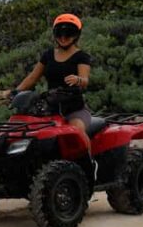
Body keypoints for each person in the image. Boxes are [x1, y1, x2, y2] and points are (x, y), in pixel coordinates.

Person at [15, 13, 92, 147]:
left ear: (76, 35)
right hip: (50, 109)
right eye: (59, 34)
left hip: (74, 110)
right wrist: (15, 92)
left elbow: (85, 80)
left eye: (68, 34)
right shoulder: (48, 55)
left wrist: (78, 80)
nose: (63, 38)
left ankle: (89, 165)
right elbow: (32, 77)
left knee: (77, 132)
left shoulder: (82, 56)